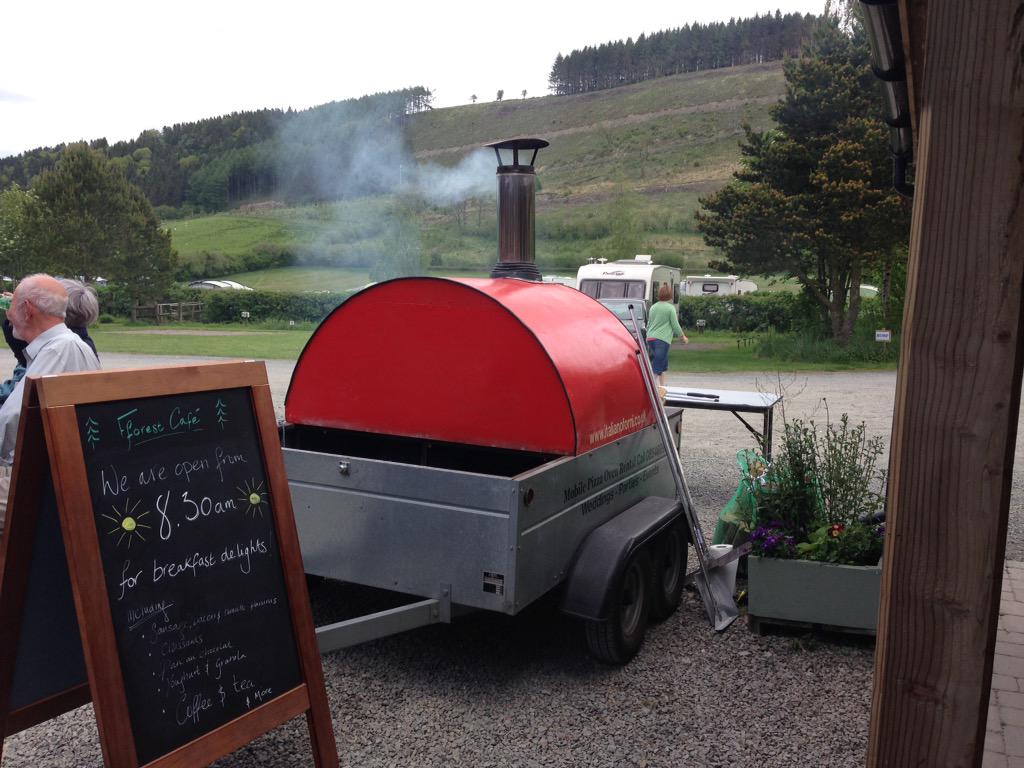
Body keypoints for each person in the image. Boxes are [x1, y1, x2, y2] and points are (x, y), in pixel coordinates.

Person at [0, 274, 101, 529]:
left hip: (43, 481)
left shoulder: (59, 349)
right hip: (53, 472)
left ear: (27, 309)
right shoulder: (63, 345)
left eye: (11, 305)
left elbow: (13, 422)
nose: (7, 313)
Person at [645, 283, 688, 387]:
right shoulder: (670, 308)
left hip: (651, 338)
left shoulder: (653, 307)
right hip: (662, 339)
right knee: (658, 363)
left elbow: (649, 323)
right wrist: (682, 337)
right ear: (670, 295)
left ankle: (663, 386)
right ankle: (650, 386)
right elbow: (675, 325)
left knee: (663, 363)